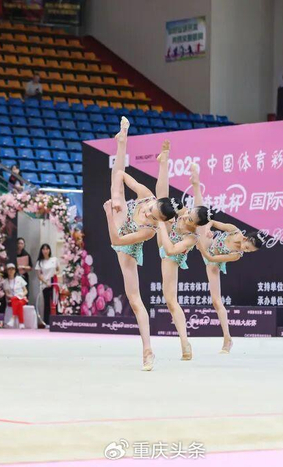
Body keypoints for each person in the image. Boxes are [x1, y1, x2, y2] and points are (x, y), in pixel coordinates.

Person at [103, 117, 181, 371]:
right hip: (122, 216)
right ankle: (122, 140)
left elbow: (117, 241)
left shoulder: (148, 231)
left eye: (152, 216)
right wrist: (117, 199)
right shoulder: (147, 195)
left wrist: (109, 214)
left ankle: (147, 351)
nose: (147, 212)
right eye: (151, 208)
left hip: (125, 246)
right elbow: (121, 175)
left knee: (135, 300)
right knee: (116, 188)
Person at [156, 163, 211, 362]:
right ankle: (164, 162)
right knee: (161, 199)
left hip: (171, 257)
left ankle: (185, 343)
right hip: (165, 243)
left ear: (195, 225)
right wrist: (195, 183)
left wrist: (161, 224)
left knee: (171, 301)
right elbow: (197, 208)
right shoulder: (188, 214)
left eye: (189, 218)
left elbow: (171, 250)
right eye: (188, 213)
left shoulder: (193, 237)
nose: (186, 216)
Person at [196, 222, 264, 353]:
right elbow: (212, 222)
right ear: (245, 238)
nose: (246, 250)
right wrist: (208, 229)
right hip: (209, 243)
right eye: (247, 247)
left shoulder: (236, 255)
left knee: (216, 301)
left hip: (212, 262)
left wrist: (199, 246)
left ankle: (227, 339)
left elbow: (212, 258)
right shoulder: (234, 230)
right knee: (198, 219)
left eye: (249, 251)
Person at [35, 243, 60, 327]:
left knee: (55, 302)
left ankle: (58, 321)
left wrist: (54, 274)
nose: (45, 251)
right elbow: (39, 275)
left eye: (47, 249)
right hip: (45, 284)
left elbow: (58, 270)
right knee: (47, 304)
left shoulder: (54, 259)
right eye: (44, 249)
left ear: (49, 250)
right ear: (41, 251)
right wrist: (46, 282)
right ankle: (47, 323)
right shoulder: (39, 262)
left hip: (54, 283)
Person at [3, 263, 28, 329]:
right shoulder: (5, 281)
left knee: (18, 300)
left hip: (21, 297)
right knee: (18, 302)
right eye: (9, 269)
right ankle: (21, 323)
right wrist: (13, 296)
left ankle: (13, 318)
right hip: (12, 299)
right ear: (7, 271)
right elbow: (7, 294)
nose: (11, 271)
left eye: (13, 269)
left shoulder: (19, 278)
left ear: (15, 270)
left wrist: (22, 295)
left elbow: (25, 291)